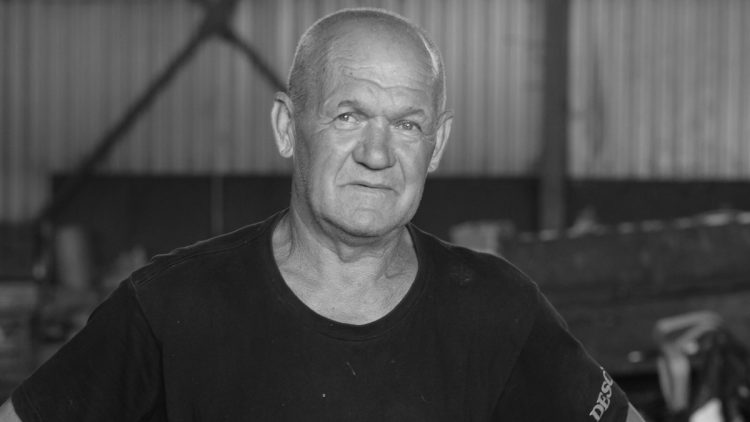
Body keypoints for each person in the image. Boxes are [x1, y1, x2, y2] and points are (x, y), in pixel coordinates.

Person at [1, 8, 645, 421]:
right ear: (287, 126)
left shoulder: (499, 309)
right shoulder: (168, 309)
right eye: (348, 115)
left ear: (438, 143)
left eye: (407, 124)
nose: (376, 153)